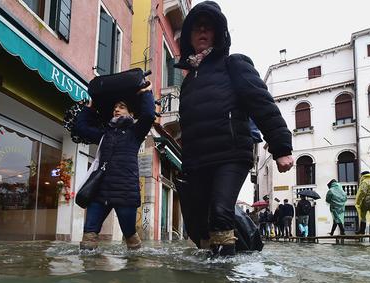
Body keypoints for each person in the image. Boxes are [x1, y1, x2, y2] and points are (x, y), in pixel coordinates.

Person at [176, 1, 293, 256]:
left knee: (220, 212)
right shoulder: (188, 82)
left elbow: (262, 103)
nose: (203, 32)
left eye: (208, 27)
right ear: (189, 37)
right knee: (198, 225)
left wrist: (281, 146)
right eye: (197, 28)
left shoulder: (234, 64)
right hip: (198, 160)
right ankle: (210, 270)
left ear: (218, 33)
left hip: (231, 154)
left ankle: (223, 278)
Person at [74, 84, 155, 250]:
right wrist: (90, 108)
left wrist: (147, 93)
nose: (116, 109)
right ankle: (88, 271)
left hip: (125, 191)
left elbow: (148, 115)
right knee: (89, 235)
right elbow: (80, 129)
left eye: (122, 107)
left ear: (131, 114)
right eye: (115, 107)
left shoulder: (135, 132)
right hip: (100, 190)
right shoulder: (105, 133)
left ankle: (134, 270)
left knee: (130, 237)